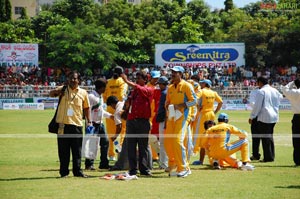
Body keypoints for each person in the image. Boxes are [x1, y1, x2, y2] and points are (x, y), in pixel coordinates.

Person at [49, 71, 92, 178]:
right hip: (63, 125)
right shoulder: (62, 89)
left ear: (79, 80)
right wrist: (56, 92)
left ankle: (77, 172)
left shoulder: (83, 93)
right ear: (68, 79)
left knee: (77, 151)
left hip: (77, 124)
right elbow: (51, 94)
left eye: (75, 78)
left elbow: (87, 107)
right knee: (63, 151)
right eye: (71, 78)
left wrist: (89, 121)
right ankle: (64, 172)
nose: (73, 80)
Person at [164, 66, 197, 178]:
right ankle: (173, 165)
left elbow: (194, 101)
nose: (173, 74)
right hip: (171, 117)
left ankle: (184, 168)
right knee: (168, 142)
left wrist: (181, 106)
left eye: (176, 73)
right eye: (172, 72)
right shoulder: (170, 88)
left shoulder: (187, 86)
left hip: (183, 117)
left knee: (177, 141)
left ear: (181, 74)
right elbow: (167, 102)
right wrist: (168, 107)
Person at [120, 71, 154, 176]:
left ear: (145, 80)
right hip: (131, 121)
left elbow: (140, 89)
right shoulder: (133, 92)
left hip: (143, 121)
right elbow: (128, 104)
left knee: (143, 146)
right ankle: (132, 169)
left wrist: (126, 81)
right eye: (136, 78)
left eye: (139, 78)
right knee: (131, 146)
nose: (137, 80)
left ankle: (144, 169)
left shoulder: (149, 89)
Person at [249, 76, 282, 162]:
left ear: (260, 82)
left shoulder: (261, 91)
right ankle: (271, 156)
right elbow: (280, 98)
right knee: (270, 137)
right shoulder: (275, 90)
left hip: (264, 116)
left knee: (265, 138)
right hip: (274, 116)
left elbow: (257, 106)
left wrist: (252, 116)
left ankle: (268, 158)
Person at [192, 79, 223, 165]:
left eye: (202, 83)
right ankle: (213, 159)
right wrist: (215, 112)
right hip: (211, 114)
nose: (200, 85)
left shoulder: (202, 91)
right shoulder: (214, 93)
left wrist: (198, 106)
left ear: (205, 84)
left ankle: (200, 160)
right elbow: (221, 102)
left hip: (203, 115)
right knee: (210, 136)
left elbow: (194, 98)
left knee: (201, 136)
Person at [85, 78, 112, 170]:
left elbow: (101, 111)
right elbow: (86, 110)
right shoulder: (91, 97)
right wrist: (89, 123)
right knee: (92, 144)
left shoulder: (100, 96)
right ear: (101, 87)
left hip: (100, 123)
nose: (106, 89)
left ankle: (104, 163)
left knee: (105, 142)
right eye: (105, 87)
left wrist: (110, 116)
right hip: (92, 124)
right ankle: (89, 164)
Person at [103, 66, 128, 161]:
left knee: (111, 133)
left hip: (110, 109)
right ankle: (120, 152)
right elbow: (122, 96)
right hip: (120, 108)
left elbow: (104, 97)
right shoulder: (123, 82)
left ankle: (111, 154)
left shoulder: (108, 82)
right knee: (122, 132)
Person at [106, 95, 129, 170]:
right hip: (135, 127)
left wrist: (115, 136)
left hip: (128, 131)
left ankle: (121, 165)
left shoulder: (117, 112)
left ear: (112, 104)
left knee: (123, 149)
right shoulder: (123, 103)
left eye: (111, 106)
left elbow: (119, 126)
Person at [281, 78, 300, 166]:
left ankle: (298, 160)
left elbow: (284, 89)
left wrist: (292, 82)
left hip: (297, 117)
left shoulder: (295, 92)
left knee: (296, 140)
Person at [155, 76, 169, 169]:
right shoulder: (166, 92)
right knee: (163, 142)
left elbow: (166, 108)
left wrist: (166, 122)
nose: (159, 86)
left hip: (164, 120)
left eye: (159, 84)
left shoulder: (164, 93)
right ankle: (163, 163)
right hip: (164, 119)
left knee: (163, 143)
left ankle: (164, 164)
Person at [248, 87, 261, 160]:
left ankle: (256, 155)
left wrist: (251, 116)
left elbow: (253, 105)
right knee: (267, 138)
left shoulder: (255, 91)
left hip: (257, 116)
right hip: (269, 116)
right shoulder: (273, 90)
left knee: (256, 137)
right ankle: (269, 156)